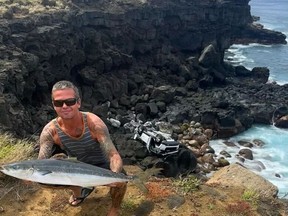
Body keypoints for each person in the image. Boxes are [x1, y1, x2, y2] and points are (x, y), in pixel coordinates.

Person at [38, 80, 127, 216]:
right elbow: (41, 163)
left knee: (121, 179)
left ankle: (115, 208)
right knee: (45, 179)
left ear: (78, 102)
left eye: (70, 101)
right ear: (54, 106)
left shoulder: (93, 124)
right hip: (76, 163)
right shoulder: (50, 131)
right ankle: (79, 190)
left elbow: (112, 155)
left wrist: (113, 175)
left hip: (101, 163)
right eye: (59, 103)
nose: (65, 106)